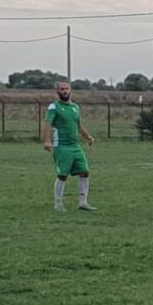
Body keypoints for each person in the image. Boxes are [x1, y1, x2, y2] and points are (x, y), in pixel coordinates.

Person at [43, 80, 96, 212]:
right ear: (57, 91)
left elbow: (78, 125)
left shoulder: (75, 107)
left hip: (75, 146)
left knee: (85, 172)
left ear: (70, 90)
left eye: (66, 88)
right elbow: (48, 123)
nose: (65, 91)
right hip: (62, 146)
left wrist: (88, 136)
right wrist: (47, 141)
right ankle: (58, 204)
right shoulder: (54, 107)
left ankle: (83, 202)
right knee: (63, 175)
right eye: (62, 89)